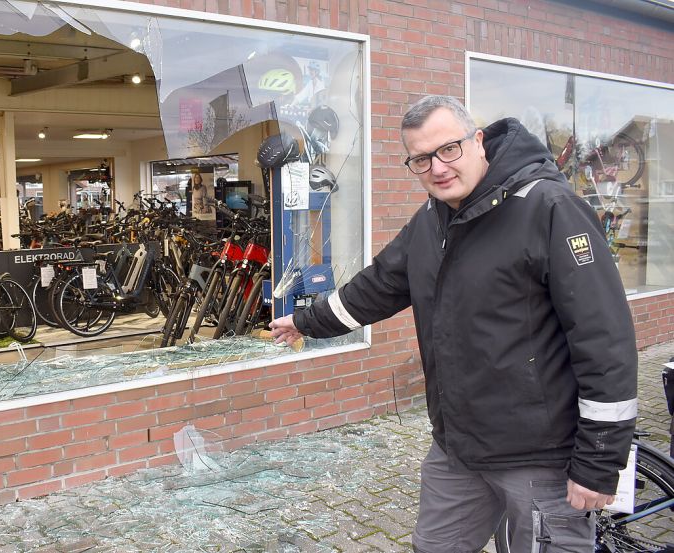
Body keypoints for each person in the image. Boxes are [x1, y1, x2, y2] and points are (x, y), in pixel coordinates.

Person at [269, 95, 637, 552]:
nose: (438, 168)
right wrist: (307, 321)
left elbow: (605, 340)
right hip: (458, 447)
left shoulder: (550, 208)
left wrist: (599, 462)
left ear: (478, 140)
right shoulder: (433, 218)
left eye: (449, 149)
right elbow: (381, 284)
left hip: (541, 456)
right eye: (421, 159)